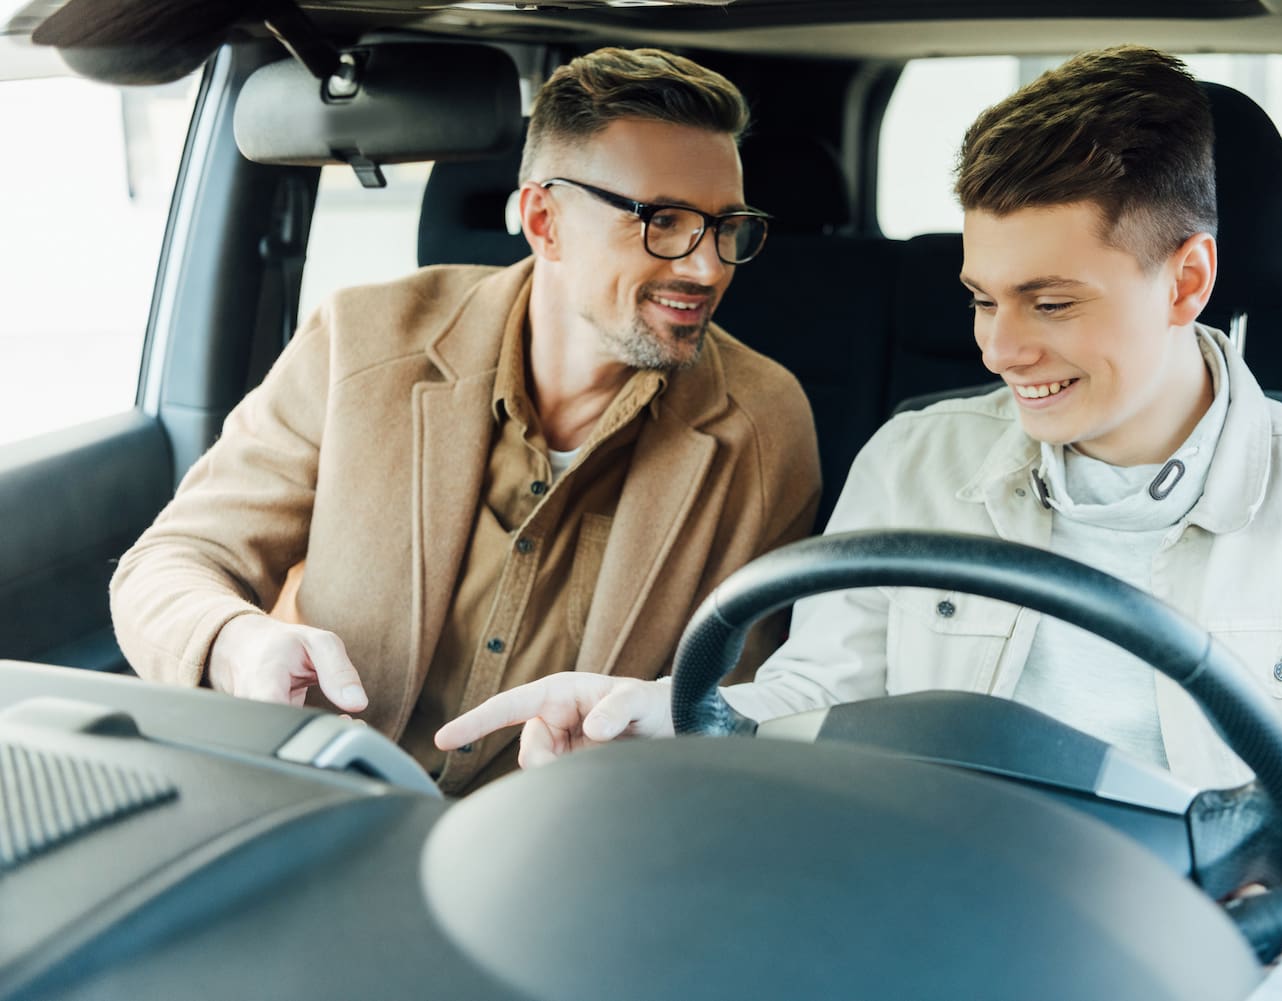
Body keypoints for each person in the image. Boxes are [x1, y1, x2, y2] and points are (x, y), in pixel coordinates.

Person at [435, 47, 1282, 996]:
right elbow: (826, 698)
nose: (1001, 348)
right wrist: (663, 711)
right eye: (983, 299)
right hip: (919, 937)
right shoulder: (915, 459)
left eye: (1052, 302)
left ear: (1189, 280)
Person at [109, 47, 821, 795]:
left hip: (576, 845)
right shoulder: (361, 342)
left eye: (726, 227)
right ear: (544, 221)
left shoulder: (764, 427)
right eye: (664, 222)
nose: (707, 267)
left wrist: (643, 766)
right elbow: (169, 563)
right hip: (330, 804)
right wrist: (237, 643)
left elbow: (735, 716)